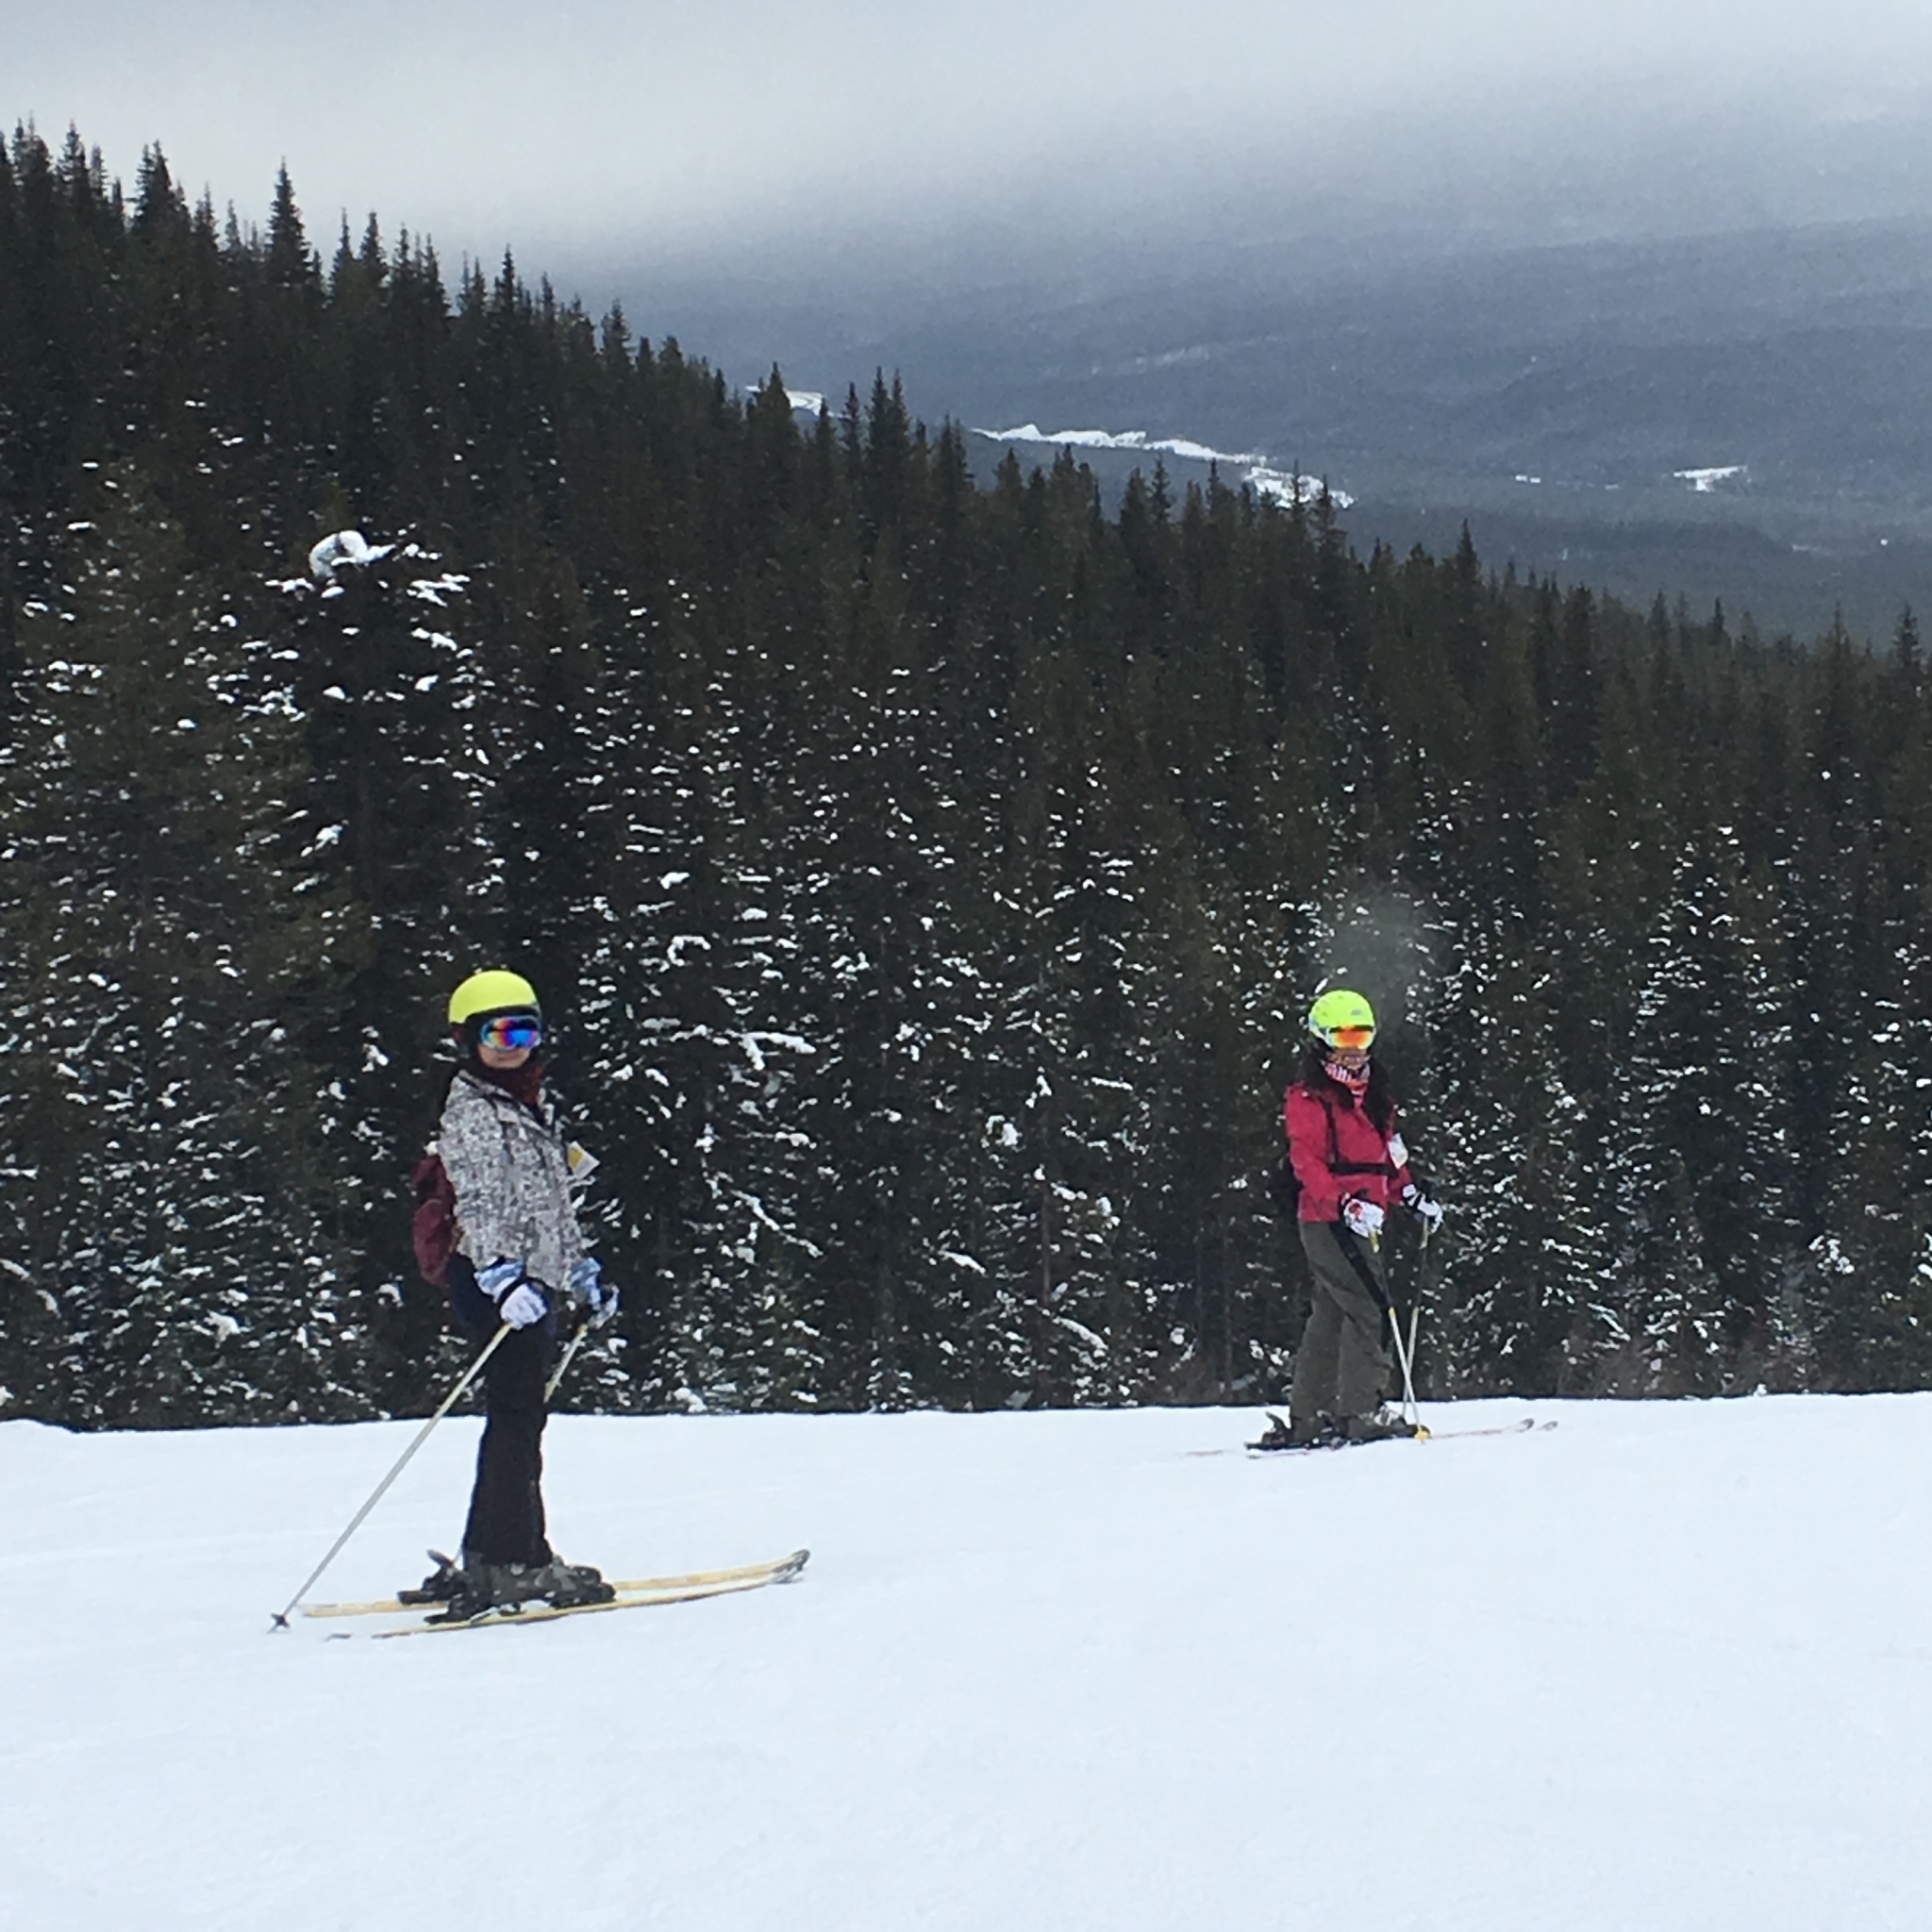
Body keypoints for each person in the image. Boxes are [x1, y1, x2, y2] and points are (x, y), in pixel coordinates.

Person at [408, 969, 621, 1616]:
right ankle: (513, 1561)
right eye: (496, 1032)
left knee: (518, 1415)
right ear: (467, 1040)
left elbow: (552, 1204)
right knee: (517, 1417)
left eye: (524, 1029)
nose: (513, 1044)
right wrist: (503, 1278)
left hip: (530, 1281)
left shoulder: (529, 1103)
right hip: (497, 1281)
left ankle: (492, 1550)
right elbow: (483, 1201)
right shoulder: (472, 1111)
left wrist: (579, 1272)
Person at [1277, 989, 1444, 1446]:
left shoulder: (1375, 1095)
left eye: (1362, 1035)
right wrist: (1342, 1206)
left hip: (1366, 1217)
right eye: (1343, 1036)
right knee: (1369, 1306)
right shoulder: (1310, 1098)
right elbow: (1306, 1162)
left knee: (1333, 1312)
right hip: (1330, 1219)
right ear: (1322, 1040)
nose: (1354, 1048)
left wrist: (1407, 1192)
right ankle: (1360, 1409)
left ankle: (1310, 1414)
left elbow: (1385, 1158)